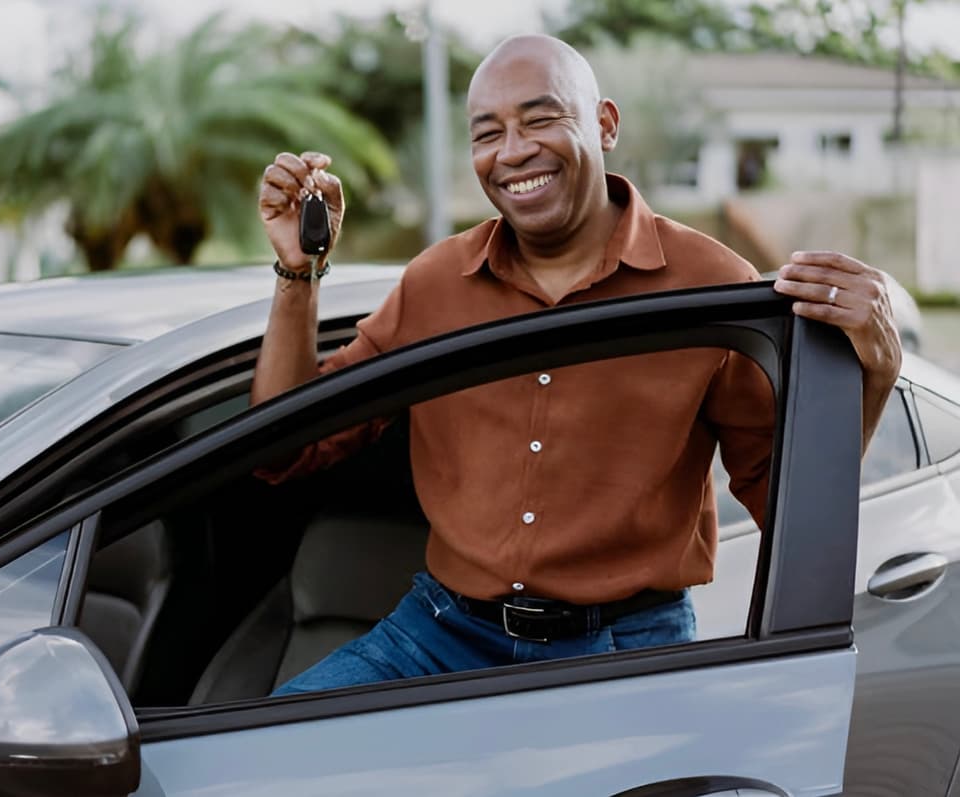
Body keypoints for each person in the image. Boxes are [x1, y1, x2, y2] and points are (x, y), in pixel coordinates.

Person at [251, 34, 902, 695]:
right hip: (440, 634)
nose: (513, 151)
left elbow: (786, 502)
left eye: (541, 119)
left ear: (605, 124)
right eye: (488, 133)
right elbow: (285, 449)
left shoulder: (710, 285)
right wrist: (297, 273)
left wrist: (874, 374)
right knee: (261, 760)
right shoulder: (434, 283)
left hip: (627, 650)